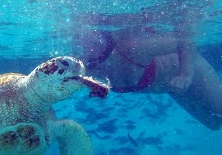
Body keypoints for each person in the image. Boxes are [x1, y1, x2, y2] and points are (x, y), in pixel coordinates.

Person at [82, 28, 222, 130]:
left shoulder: (131, 49)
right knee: (214, 124)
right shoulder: (83, 66)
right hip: (172, 88)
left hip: (193, 72)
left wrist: (185, 75)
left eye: (94, 46)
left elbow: (186, 43)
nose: (87, 53)